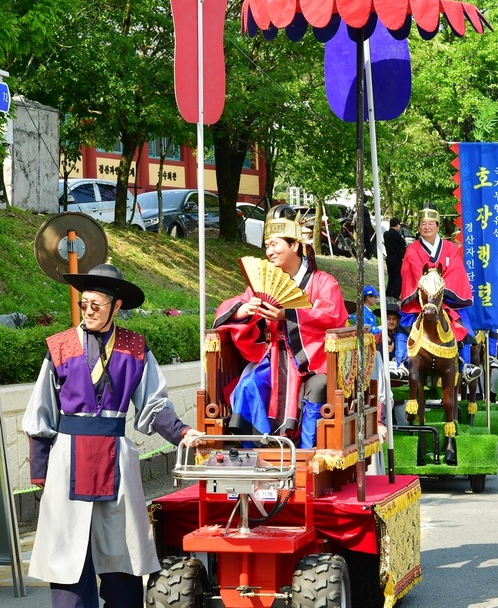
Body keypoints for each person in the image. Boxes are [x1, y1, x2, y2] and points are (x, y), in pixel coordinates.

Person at [22, 263, 203, 608]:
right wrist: (43, 476)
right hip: (67, 461)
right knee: (68, 555)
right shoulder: (59, 347)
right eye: (84, 304)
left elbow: (153, 404)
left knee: (123, 550)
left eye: (96, 305)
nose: (88, 311)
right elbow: (40, 414)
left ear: (116, 306)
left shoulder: (135, 349)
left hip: (116, 460)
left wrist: (182, 433)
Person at [214, 205, 349, 447]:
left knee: (316, 386)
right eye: (267, 246)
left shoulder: (324, 282)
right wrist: (244, 311)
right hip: (274, 357)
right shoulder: (262, 283)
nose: (270, 252)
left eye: (275, 244)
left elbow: (331, 316)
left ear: (294, 245)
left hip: (312, 361)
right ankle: (260, 448)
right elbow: (233, 306)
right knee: (249, 385)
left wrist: (287, 315)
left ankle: (307, 453)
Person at [400, 201, 482, 383]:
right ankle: (401, 363)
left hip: (445, 299)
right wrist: (429, 290)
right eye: (423, 224)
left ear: (437, 226)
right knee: (404, 322)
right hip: (421, 299)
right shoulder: (412, 249)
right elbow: (414, 270)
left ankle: (465, 365)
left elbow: (455, 271)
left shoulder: (450, 248)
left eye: (430, 223)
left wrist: (439, 292)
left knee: (463, 325)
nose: (426, 227)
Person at [383, 217, 407, 299]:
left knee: (391, 276)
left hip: (389, 257)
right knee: (398, 276)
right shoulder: (396, 234)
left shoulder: (386, 234)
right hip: (396, 258)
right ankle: (396, 293)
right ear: (397, 225)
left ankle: (389, 292)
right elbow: (403, 243)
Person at [385, 301, 409, 379]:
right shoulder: (379, 334)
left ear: (398, 320)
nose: (391, 322)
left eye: (394, 319)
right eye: (388, 319)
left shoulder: (404, 335)